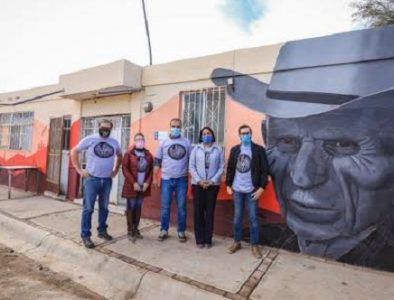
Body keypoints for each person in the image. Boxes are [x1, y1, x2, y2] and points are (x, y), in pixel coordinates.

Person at [211, 26, 394, 271]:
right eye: (287, 142)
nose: (302, 176)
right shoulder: (266, 238)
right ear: (267, 136)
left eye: (342, 144)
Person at [70, 119, 122, 249]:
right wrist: (78, 170)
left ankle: (102, 231)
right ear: (98, 127)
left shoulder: (114, 142)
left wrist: (115, 170)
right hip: (92, 179)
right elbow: (74, 151)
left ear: (111, 130)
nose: (105, 130)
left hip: (106, 180)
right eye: (103, 127)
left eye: (108, 129)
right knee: (88, 208)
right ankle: (86, 235)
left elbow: (120, 155)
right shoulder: (90, 139)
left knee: (104, 208)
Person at [226, 124, 269, 258]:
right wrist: (228, 185)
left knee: (253, 219)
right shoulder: (234, 150)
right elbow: (230, 169)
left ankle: (254, 245)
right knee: (237, 218)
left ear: (251, 134)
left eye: (247, 133)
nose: (245, 136)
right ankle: (237, 242)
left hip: (252, 190)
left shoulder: (259, 150)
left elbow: (265, 171)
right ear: (239, 135)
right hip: (237, 190)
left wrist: (261, 188)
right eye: (243, 134)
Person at [153, 118, 192, 242]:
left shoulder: (187, 142)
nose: (175, 128)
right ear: (170, 127)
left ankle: (181, 231)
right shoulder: (163, 142)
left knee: (181, 206)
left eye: (178, 126)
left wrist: (192, 178)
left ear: (181, 128)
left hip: (182, 179)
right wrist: (155, 177)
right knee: (165, 206)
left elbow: (191, 161)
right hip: (166, 179)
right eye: (173, 126)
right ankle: (164, 230)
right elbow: (157, 161)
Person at [189, 127, 224, 248]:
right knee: (198, 213)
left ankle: (208, 239)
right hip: (197, 185)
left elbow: (221, 167)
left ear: (212, 135)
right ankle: (199, 240)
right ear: (201, 136)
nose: (206, 135)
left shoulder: (218, 149)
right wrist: (199, 181)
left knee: (209, 213)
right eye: (204, 134)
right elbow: (191, 167)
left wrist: (212, 181)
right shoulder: (195, 149)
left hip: (212, 186)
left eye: (208, 133)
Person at [121, 133, 153, 242]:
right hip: (131, 186)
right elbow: (125, 169)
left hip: (143, 186)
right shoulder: (129, 154)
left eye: (142, 139)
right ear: (134, 141)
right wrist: (133, 182)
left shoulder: (148, 155)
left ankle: (136, 229)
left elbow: (151, 171)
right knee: (131, 208)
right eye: (138, 139)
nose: (140, 141)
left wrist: (147, 183)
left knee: (138, 207)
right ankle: (130, 230)